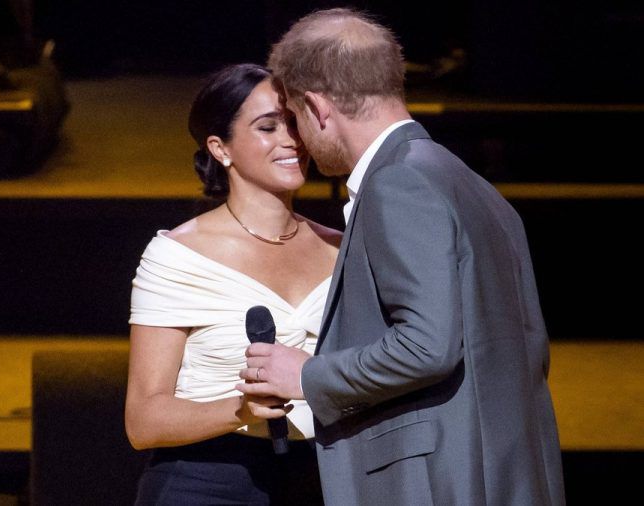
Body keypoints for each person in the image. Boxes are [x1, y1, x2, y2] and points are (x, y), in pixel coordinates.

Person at [237, 8, 565, 505]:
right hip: (504, 472)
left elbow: (427, 345)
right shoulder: (472, 185)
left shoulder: (398, 183)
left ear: (318, 108)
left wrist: (304, 375)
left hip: (440, 483)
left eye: (296, 119)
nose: (297, 138)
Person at [125, 63, 341, 505]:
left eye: (294, 124)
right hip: (207, 481)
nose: (291, 140)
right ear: (220, 148)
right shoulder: (178, 256)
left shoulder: (342, 249)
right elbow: (143, 421)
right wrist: (238, 412)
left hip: (325, 479)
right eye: (268, 127)